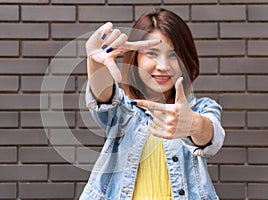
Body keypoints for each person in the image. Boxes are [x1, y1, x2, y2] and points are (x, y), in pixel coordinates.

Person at [80, 8, 225, 200]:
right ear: (136, 59)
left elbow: (211, 135)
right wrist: (95, 62)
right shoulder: (124, 109)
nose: (163, 65)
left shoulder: (201, 108)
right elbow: (104, 96)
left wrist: (193, 124)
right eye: (152, 53)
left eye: (173, 55)